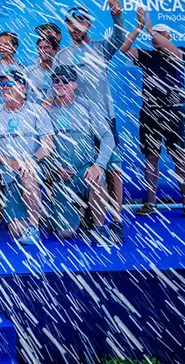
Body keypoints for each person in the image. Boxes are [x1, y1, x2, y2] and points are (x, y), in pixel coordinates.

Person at [53, 0, 126, 241]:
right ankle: (87, 216)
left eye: (80, 22)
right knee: (83, 170)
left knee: (111, 169)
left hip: (104, 117)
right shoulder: (61, 55)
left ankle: (116, 220)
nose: (75, 28)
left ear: (89, 24)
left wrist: (117, 15)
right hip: (78, 121)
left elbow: (119, 39)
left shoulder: (100, 47)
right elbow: (57, 86)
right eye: (70, 24)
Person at [121, 8, 185, 218]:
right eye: (152, 34)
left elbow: (169, 48)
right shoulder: (147, 56)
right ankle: (151, 202)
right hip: (150, 113)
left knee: (179, 157)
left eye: (159, 34)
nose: (153, 37)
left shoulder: (179, 52)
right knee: (151, 158)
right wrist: (138, 28)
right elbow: (124, 48)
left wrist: (148, 27)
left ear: (168, 37)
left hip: (174, 113)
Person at [0, 68, 55, 245]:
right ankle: (34, 213)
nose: (4, 88)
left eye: (9, 84)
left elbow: (48, 144)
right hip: (9, 173)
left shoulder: (37, 111)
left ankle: (34, 226)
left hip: (33, 169)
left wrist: (32, 160)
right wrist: (11, 162)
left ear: (22, 88)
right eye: (2, 84)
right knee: (16, 230)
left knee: (28, 175)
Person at [46, 66, 116, 244]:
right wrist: (55, 168)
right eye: (56, 81)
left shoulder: (87, 106)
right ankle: (76, 213)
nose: (60, 84)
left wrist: (99, 165)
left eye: (65, 80)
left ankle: (100, 228)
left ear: (75, 84)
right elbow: (40, 145)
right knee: (65, 234)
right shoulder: (45, 110)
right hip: (61, 174)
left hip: (85, 169)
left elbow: (107, 137)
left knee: (97, 179)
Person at [0, 32, 24, 109]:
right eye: (0, 45)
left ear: (15, 47)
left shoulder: (22, 70)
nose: (1, 48)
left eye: (6, 44)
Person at [24, 36, 59, 105]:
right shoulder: (28, 71)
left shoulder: (61, 73)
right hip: (33, 114)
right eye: (40, 48)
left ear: (55, 50)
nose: (42, 50)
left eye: (46, 47)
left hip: (55, 114)